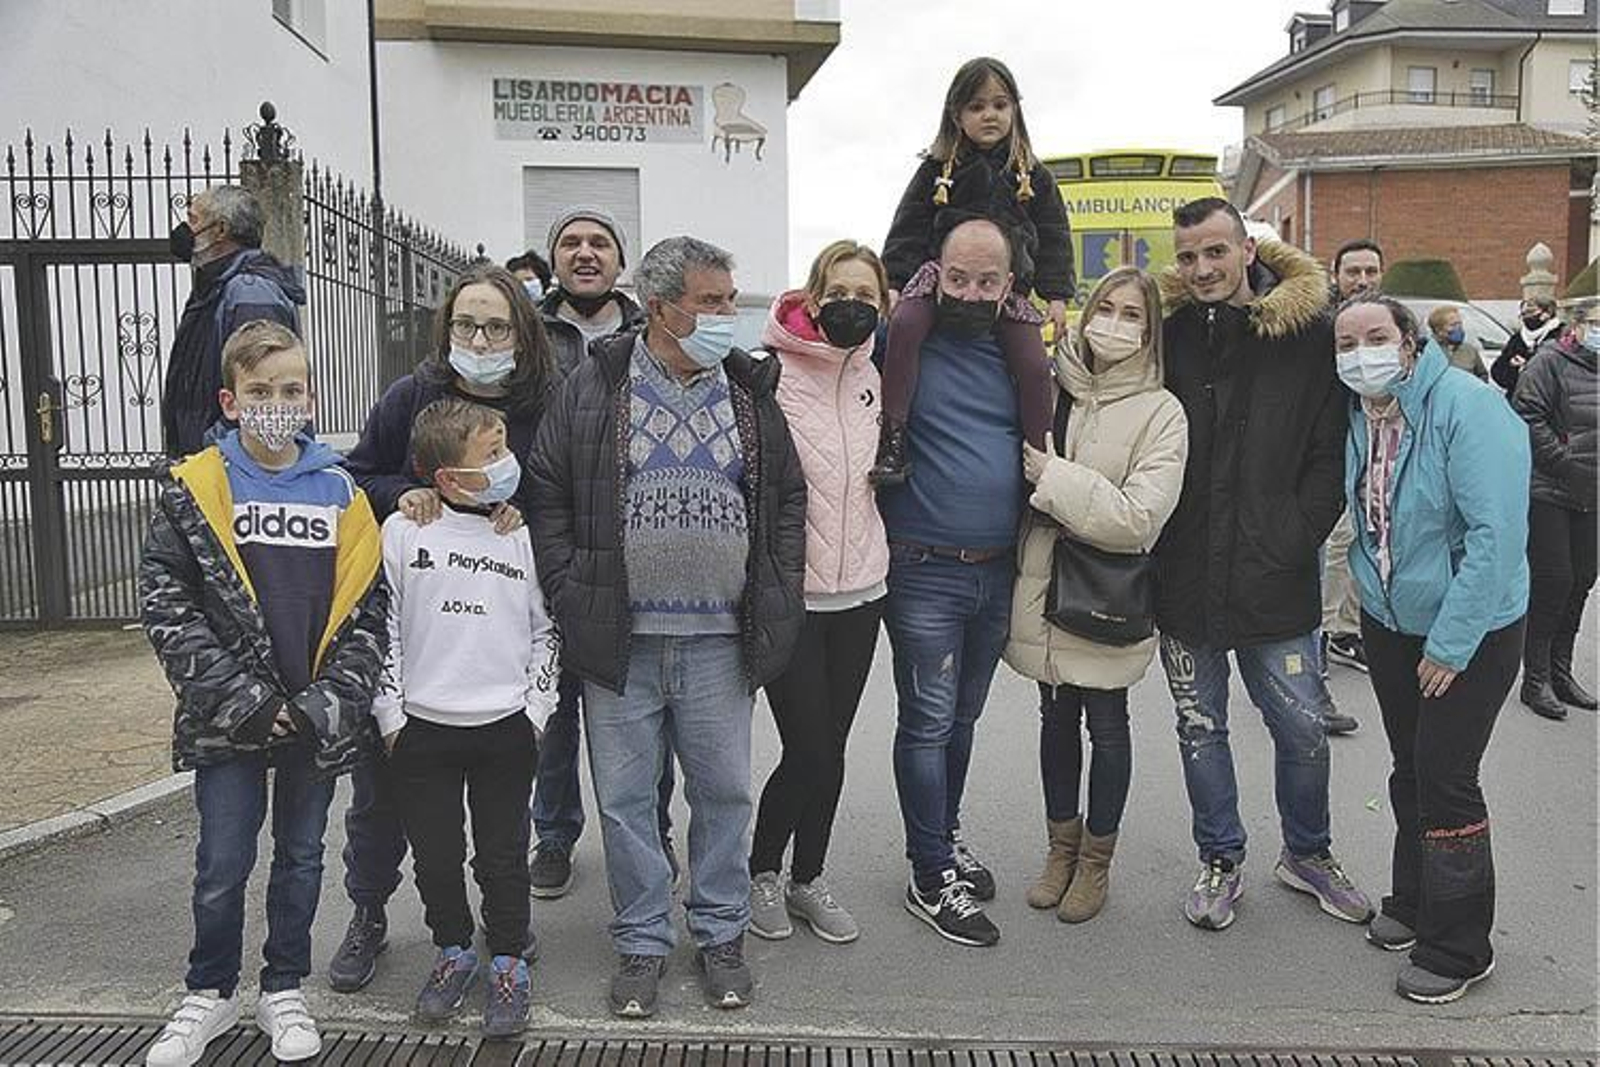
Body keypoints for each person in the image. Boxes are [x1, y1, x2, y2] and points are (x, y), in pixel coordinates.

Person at [527, 236, 806, 1017]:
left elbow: (786, 500)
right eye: (711, 302)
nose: (726, 315)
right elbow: (548, 492)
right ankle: (643, 941)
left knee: (722, 793)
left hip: (720, 640)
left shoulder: (749, 389)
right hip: (621, 640)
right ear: (660, 308)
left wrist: (779, 587)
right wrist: (567, 587)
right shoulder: (595, 387)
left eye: (728, 299)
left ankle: (720, 932)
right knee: (623, 799)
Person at [140, 321, 388, 1066]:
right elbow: (167, 605)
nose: (275, 403)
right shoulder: (196, 488)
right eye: (259, 391)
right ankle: (208, 991)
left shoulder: (341, 491)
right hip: (229, 718)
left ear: (310, 397)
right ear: (230, 398)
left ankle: (284, 985)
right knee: (221, 859)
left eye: (289, 389)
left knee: (303, 855)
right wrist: (244, 698)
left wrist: (323, 704)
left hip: (313, 718)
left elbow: (368, 609)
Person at [327, 264, 554, 994]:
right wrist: (411, 493)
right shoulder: (412, 396)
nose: (479, 338)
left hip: (500, 644)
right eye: (466, 324)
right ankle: (368, 913)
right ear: (446, 327)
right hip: (416, 645)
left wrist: (517, 517)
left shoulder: (543, 403)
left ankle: (504, 930)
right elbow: (358, 477)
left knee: (500, 826)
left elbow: (556, 490)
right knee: (384, 805)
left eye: (495, 326)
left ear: (521, 333)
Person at [1155, 198, 1372, 932]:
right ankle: (1220, 856)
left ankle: (1307, 852)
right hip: (1183, 574)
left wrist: (1297, 532)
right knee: (1199, 726)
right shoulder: (1169, 334)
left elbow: (1328, 448)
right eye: (1188, 257)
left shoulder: (1306, 333)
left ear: (1247, 250)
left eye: (1216, 252)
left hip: (1276, 572)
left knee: (1304, 727)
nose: (1203, 268)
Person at [1335, 294, 1529, 1004]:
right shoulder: (1362, 414)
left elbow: (1496, 540)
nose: (1361, 353)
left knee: (1447, 775)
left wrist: (1450, 644)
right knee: (1410, 769)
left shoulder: (1468, 408)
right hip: (1392, 623)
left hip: (1469, 630)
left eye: (1376, 336)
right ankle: (1415, 902)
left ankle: (1459, 945)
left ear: (1410, 341)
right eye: (1347, 342)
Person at [1003, 266, 1188, 924]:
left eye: (1132, 313)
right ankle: (1060, 848)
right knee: (1055, 720)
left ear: (1151, 330)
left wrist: (1055, 476)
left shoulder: (1164, 411)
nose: (1114, 322)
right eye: (1105, 307)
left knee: (1107, 728)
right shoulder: (1058, 389)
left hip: (1108, 592)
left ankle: (1095, 862)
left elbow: (1139, 516)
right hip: (1044, 583)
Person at [373, 397, 561, 1037]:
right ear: (447, 478)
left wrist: (536, 710)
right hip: (422, 730)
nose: (509, 463)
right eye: (492, 455)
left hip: (505, 728)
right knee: (436, 855)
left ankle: (508, 957)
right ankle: (453, 949)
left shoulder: (521, 536)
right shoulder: (403, 533)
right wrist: (391, 718)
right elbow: (384, 631)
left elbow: (546, 632)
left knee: (503, 855)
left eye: (506, 446)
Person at [876, 218, 1027, 949]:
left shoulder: (1015, 351)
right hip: (924, 570)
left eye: (985, 280)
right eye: (958, 277)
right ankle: (929, 873)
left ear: (1006, 285)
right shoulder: (904, 341)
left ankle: (945, 835)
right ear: (937, 273)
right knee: (928, 722)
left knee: (961, 722)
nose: (970, 292)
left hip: (997, 571)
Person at [527, 206, 673, 903]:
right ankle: (554, 832)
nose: (585, 253)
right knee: (555, 707)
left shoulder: (655, 331)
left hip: (638, 546)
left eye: (599, 243)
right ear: (554, 258)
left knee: (649, 706)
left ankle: (656, 826)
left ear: (622, 262)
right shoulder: (531, 333)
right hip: (553, 539)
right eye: (570, 241)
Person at [747, 240, 890, 945]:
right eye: (839, 290)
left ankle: (809, 877)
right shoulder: (769, 374)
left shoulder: (875, 373)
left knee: (831, 745)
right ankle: (762, 870)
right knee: (807, 746)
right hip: (793, 594)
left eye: (866, 293)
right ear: (813, 295)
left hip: (863, 590)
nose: (852, 304)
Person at [872, 56, 1073, 483]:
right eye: (977, 106)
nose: (990, 115)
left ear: (1015, 110)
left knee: (1036, 367)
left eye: (1000, 105)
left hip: (1008, 289)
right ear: (957, 114)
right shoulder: (935, 170)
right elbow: (908, 227)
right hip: (940, 279)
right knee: (904, 326)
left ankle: (1041, 460)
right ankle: (893, 437)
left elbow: (1055, 234)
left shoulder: (1034, 175)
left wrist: (1056, 295)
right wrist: (893, 284)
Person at [162, 185, 304, 458]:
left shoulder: (250, 293)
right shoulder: (217, 287)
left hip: (235, 469)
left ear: (221, 230)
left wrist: (212, 449)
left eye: (193, 220)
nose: (184, 230)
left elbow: (264, 390)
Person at [1511, 300, 1599, 720]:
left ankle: (1562, 674)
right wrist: (1564, 463)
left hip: (1593, 492)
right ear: (1577, 326)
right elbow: (1527, 414)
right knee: (1554, 581)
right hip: (1549, 489)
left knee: (1582, 578)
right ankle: (1536, 679)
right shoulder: (1548, 361)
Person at [1319, 240, 1385, 692]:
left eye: (1371, 271)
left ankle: (1347, 631)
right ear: (1335, 275)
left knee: (1369, 539)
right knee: (1336, 547)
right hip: (1333, 451)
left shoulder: (1391, 324)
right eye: (1353, 272)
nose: (1362, 280)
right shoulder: (1321, 327)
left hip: (1380, 451)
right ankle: (1319, 640)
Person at [1491, 296, 1561, 396]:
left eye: (1531, 312)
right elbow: (1498, 371)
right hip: (1519, 399)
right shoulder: (1517, 339)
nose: (1526, 317)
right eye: (1523, 314)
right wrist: (1512, 367)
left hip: (1550, 400)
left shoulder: (1561, 336)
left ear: (1547, 313)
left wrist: (1527, 366)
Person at [1426, 305, 1488, 380]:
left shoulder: (1470, 350)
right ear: (1438, 330)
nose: (1458, 328)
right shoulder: (1428, 351)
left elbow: (1482, 375)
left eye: (1460, 324)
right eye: (1453, 325)